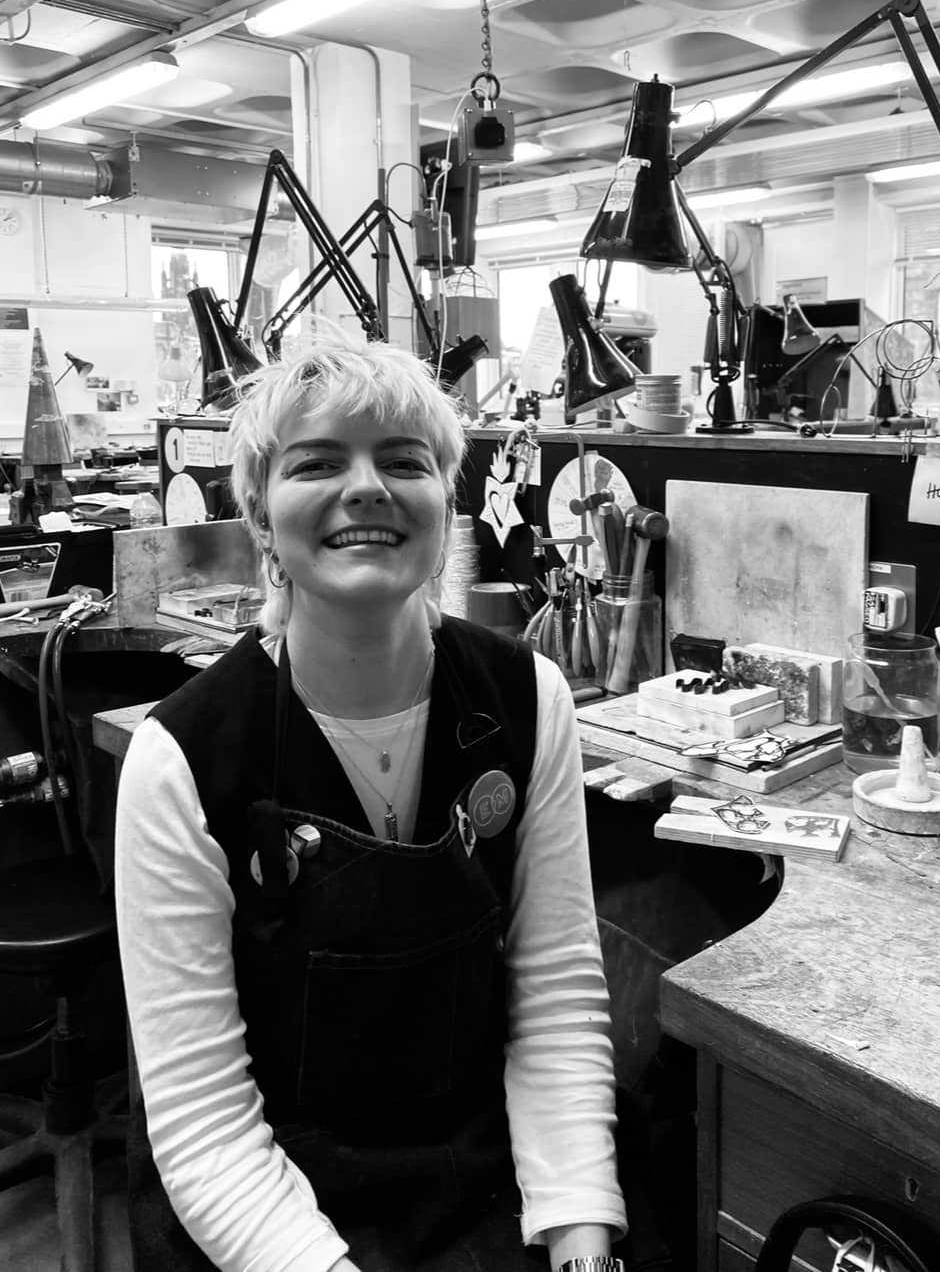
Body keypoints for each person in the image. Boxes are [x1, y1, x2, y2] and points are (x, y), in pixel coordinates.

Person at [115, 338, 628, 1272]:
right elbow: (202, 1121)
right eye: (317, 463)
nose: (366, 488)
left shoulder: (526, 699)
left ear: (445, 502)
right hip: (261, 1201)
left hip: (476, 1174)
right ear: (260, 517)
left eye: (403, 460)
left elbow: (553, 995)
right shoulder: (180, 759)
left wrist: (581, 1241)